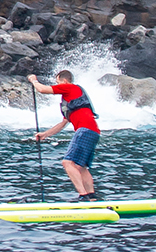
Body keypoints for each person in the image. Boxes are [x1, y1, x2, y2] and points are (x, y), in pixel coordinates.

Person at [27, 69, 101, 201]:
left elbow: (42, 90)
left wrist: (33, 80)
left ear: (64, 81)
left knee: (67, 163)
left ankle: (83, 196)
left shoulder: (70, 88)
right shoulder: (71, 99)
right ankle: (92, 197)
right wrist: (45, 134)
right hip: (93, 131)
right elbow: (64, 123)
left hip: (85, 130)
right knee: (81, 166)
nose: (57, 85)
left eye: (58, 82)